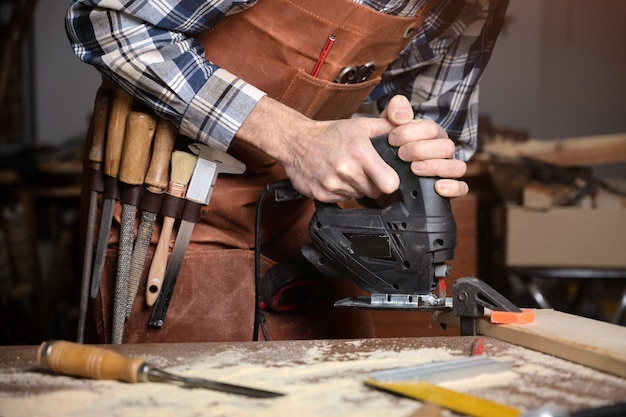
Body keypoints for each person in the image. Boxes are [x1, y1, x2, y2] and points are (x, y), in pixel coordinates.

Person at [66, 0, 509, 343]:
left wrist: (405, 168)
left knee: (340, 387)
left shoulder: (476, 6)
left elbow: (432, 123)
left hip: (301, 210)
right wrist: (294, 139)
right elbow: (110, 22)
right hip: (170, 205)